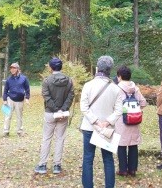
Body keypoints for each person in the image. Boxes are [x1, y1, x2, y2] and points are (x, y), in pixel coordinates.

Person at [79, 55, 123, 188]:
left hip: (89, 127)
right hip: (107, 129)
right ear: (110, 70)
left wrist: (95, 121)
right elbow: (119, 110)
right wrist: (106, 122)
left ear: (97, 68)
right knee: (108, 159)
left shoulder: (88, 85)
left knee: (88, 158)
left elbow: (84, 107)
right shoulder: (116, 88)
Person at [34, 57, 74, 175]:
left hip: (50, 113)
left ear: (51, 68)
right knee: (60, 139)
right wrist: (62, 109)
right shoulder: (69, 80)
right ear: (61, 67)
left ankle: (42, 165)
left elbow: (46, 96)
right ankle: (57, 165)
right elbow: (71, 96)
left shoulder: (47, 81)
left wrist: (56, 110)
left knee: (46, 138)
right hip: (63, 113)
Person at [114, 66, 147, 176]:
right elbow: (143, 103)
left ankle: (123, 170)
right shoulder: (135, 88)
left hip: (121, 121)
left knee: (121, 144)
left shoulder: (116, 89)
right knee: (133, 144)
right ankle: (132, 170)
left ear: (120, 76)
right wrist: (135, 110)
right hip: (134, 119)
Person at [2, 62, 30, 137]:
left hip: (20, 100)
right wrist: (4, 100)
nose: (12, 69)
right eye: (11, 68)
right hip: (10, 99)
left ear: (18, 69)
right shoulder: (8, 79)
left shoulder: (24, 78)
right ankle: (6, 131)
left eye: (14, 68)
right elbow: (5, 91)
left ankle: (19, 131)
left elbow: (27, 89)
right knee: (7, 115)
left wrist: (27, 98)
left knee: (19, 116)